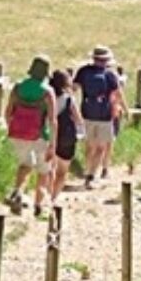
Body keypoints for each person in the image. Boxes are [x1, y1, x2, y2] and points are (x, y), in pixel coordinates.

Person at [4, 55, 57, 217]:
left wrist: (12, 128)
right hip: (40, 135)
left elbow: (8, 112)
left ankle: (18, 192)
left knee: (24, 165)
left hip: (18, 133)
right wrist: (53, 144)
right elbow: (53, 120)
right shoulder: (47, 91)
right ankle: (38, 205)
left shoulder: (18, 87)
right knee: (43, 170)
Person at [73, 45, 120, 189]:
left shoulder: (83, 71)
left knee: (89, 145)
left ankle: (87, 170)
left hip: (87, 113)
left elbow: (73, 89)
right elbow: (114, 96)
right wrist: (116, 112)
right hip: (104, 116)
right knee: (101, 147)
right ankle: (91, 175)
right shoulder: (110, 75)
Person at [50, 69, 84, 204]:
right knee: (62, 171)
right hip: (65, 138)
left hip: (49, 136)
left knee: (49, 170)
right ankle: (53, 198)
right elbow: (78, 118)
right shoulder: (69, 99)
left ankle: (44, 196)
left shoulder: (47, 96)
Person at [102, 62, 129, 178]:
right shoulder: (113, 76)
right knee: (110, 141)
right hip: (113, 112)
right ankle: (105, 167)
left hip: (98, 113)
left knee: (100, 142)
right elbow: (119, 95)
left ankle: (95, 167)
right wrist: (126, 109)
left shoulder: (95, 76)